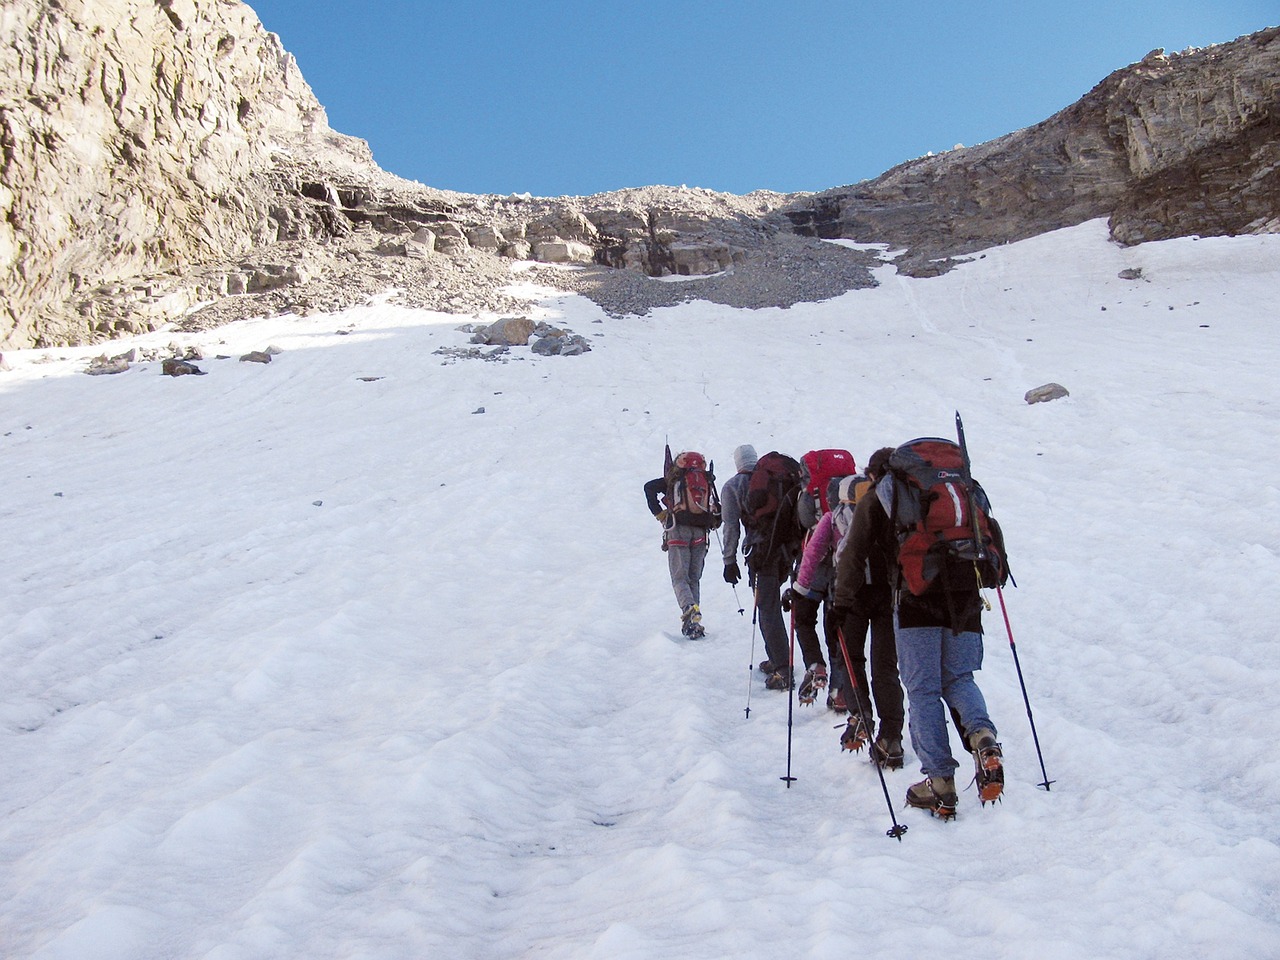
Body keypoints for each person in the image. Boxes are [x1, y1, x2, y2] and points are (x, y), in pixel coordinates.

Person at [838, 446, 1005, 818]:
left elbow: (853, 553)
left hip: (916, 599)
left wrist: (842, 604)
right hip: (966, 595)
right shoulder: (954, 488)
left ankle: (940, 781)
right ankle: (982, 736)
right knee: (960, 678)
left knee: (924, 688)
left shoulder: (884, 494)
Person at [830, 449, 905, 768]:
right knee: (885, 666)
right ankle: (892, 737)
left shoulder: (859, 507)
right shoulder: (906, 503)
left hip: (857, 595)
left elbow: (851, 555)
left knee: (851, 657)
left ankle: (861, 715)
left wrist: (840, 602)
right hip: (892, 594)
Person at [720, 444, 791, 689]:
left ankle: (783, 669)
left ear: (738, 462)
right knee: (768, 603)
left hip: (761, 553)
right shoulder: (775, 480)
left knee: (767, 607)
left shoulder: (733, 486)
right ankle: (776, 657)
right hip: (786, 551)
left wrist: (729, 561)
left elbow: (730, 526)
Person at [643, 451, 717, 638]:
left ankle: (689, 609)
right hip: (701, 531)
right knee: (694, 577)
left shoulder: (674, 479)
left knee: (679, 577)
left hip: (678, 529)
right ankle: (693, 621)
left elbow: (649, 488)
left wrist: (660, 514)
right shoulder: (705, 480)